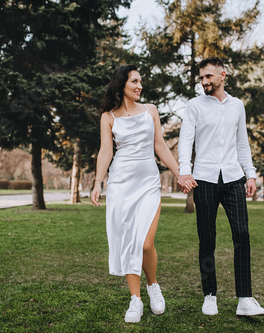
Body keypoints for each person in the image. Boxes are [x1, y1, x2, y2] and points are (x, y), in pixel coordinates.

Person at [91, 65, 187, 323]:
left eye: (140, 81)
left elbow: (160, 146)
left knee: (145, 243)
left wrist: (180, 174)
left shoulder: (150, 111)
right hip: (121, 185)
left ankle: (153, 285)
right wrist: (98, 182)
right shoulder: (108, 117)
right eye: (134, 81)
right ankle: (136, 300)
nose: (139, 85)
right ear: (122, 84)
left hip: (147, 184)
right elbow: (105, 152)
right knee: (127, 243)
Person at [177, 57, 264, 317]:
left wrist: (250, 174)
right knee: (207, 238)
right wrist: (185, 170)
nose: (204, 82)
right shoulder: (194, 106)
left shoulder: (237, 106)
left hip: (233, 179)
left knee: (242, 235)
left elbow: (242, 143)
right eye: (201, 78)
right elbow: (186, 141)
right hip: (203, 179)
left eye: (208, 77)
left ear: (222, 75)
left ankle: (245, 298)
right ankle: (210, 294)